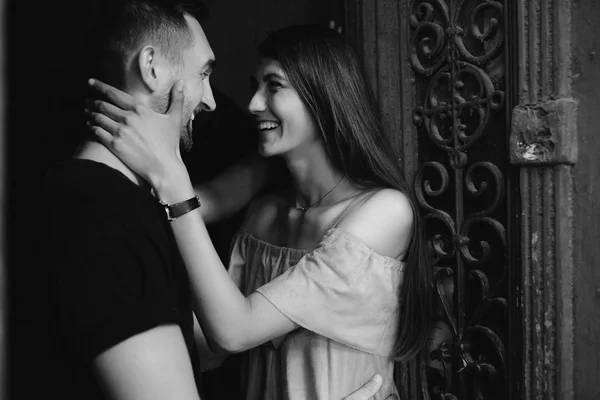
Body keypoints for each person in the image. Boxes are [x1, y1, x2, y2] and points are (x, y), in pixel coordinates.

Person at [43, 1, 392, 399]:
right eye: (204, 73)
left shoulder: (382, 211)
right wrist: (169, 176)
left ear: (326, 95)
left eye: (273, 86)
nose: (224, 102)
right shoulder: (99, 206)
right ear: (151, 67)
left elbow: (223, 333)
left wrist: (172, 179)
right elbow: (212, 344)